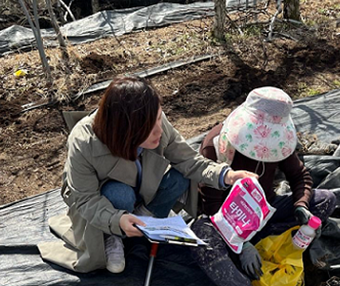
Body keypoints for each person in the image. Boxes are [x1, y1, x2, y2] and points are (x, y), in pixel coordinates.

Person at [37, 75, 256, 274]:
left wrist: (226, 175)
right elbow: (84, 198)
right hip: (108, 200)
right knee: (119, 194)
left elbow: (188, 160)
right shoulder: (84, 142)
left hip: (143, 188)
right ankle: (113, 236)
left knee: (179, 177)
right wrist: (117, 220)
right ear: (125, 130)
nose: (159, 132)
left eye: (160, 119)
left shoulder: (155, 122)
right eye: (149, 127)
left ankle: (145, 220)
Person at [189, 86, 337, 286]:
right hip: (225, 224)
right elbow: (210, 205)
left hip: (262, 215)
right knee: (201, 236)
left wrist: (301, 205)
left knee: (325, 200)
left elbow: (299, 176)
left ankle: (269, 247)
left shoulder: (279, 145)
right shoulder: (218, 145)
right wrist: (241, 243)